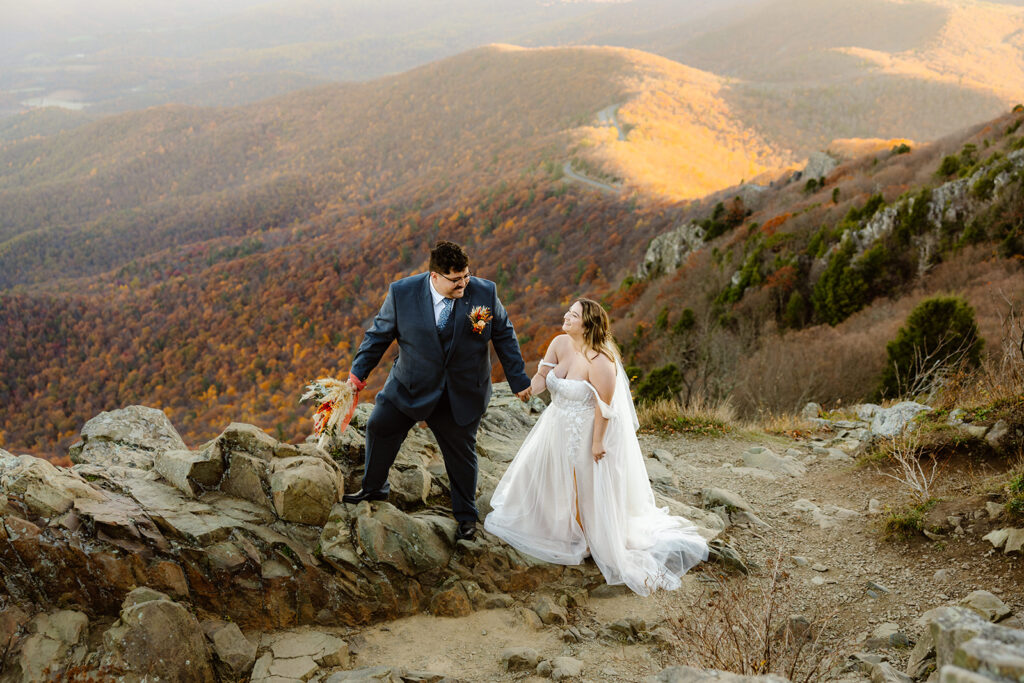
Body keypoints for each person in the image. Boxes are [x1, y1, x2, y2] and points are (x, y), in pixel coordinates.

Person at [484, 299, 708, 595]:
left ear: (587, 325)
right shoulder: (560, 343)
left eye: (573, 315)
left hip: (586, 429)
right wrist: (528, 389)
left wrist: (598, 442)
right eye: (568, 311)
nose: (566, 316)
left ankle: (588, 538)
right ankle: (556, 526)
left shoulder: (601, 361)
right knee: (551, 476)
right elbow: (543, 375)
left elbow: (605, 406)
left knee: (583, 484)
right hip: (555, 425)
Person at [344, 241, 532, 541]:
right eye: (455, 279)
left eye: (466, 276)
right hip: (411, 384)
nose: (463, 283)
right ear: (434, 276)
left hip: (462, 391)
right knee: (380, 425)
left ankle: (466, 517)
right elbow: (378, 335)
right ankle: (374, 488)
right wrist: (357, 375)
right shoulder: (402, 293)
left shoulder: (485, 292)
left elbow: (504, 334)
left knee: (461, 453)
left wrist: (519, 380)